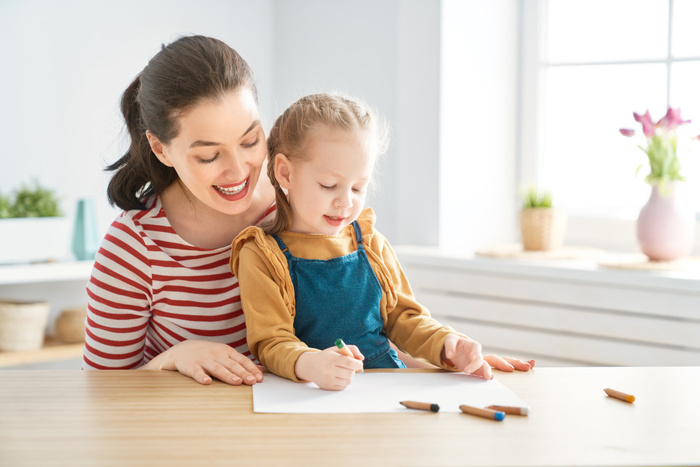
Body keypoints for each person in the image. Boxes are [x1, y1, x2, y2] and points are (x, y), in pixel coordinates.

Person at [84, 34, 532, 386]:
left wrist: (448, 360)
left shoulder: (307, 203)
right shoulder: (133, 249)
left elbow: (368, 322)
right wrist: (173, 358)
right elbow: (98, 391)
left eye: (249, 140)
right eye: (208, 156)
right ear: (161, 149)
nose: (239, 170)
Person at [230, 93, 535, 391]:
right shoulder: (260, 253)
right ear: (285, 172)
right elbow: (271, 341)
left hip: (387, 390)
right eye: (329, 185)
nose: (344, 202)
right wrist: (311, 364)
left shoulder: (370, 242)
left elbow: (405, 319)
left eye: (358, 187)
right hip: (308, 395)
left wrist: (448, 344)